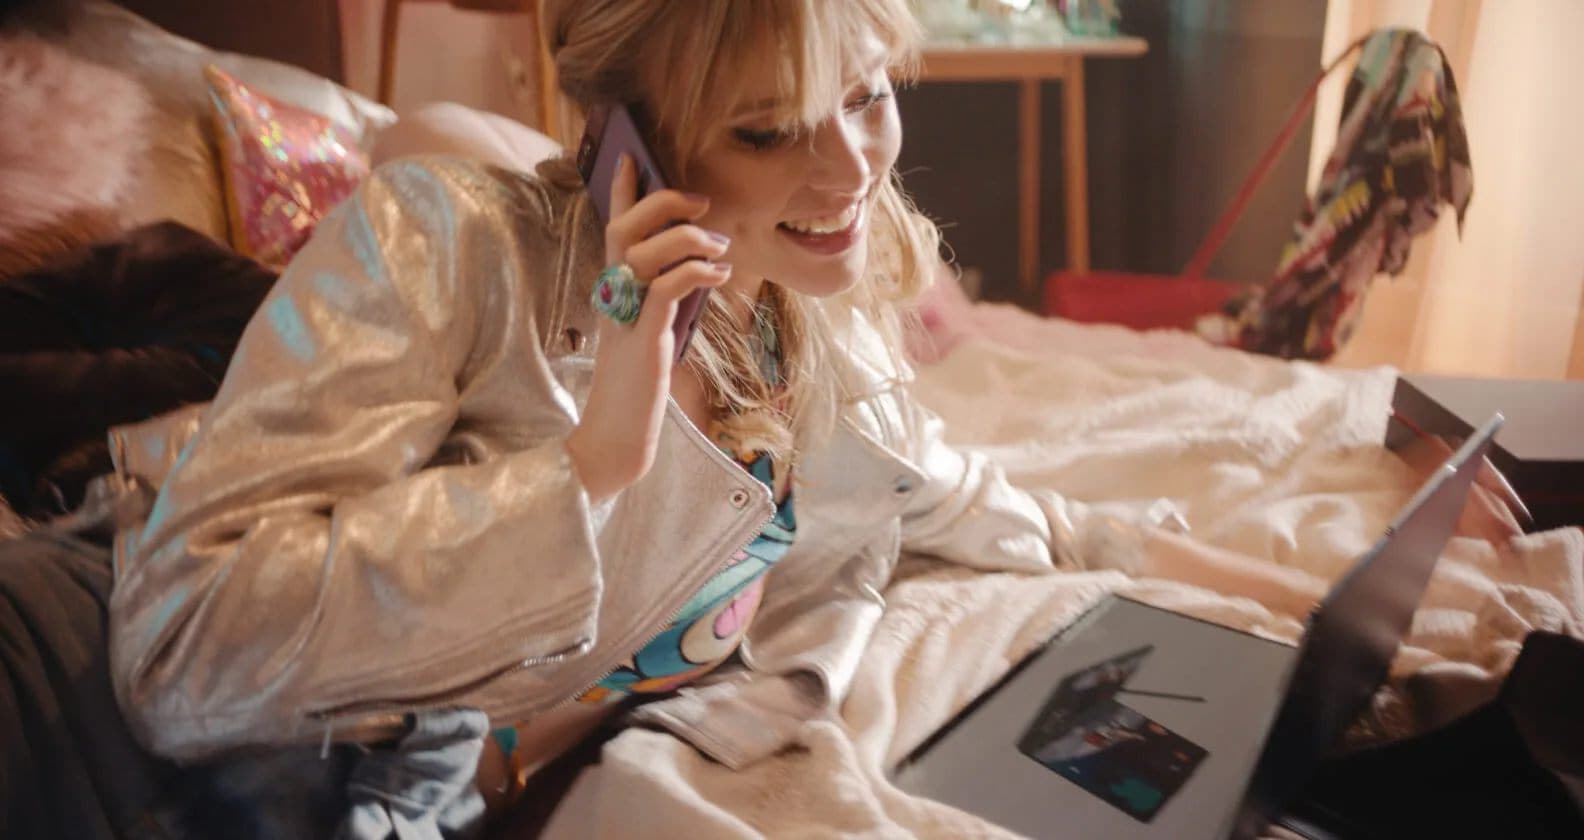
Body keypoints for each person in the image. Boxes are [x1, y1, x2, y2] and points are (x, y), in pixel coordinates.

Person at [3, 1, 1322, 837]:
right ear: (636, 140)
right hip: (70, 688)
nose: (851, 168)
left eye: (866, 92)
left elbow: (1006, 509)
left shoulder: (812, 333)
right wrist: (592, 464)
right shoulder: (444, 237)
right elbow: (180, 659)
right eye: (767, 130)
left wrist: (1312, 600)